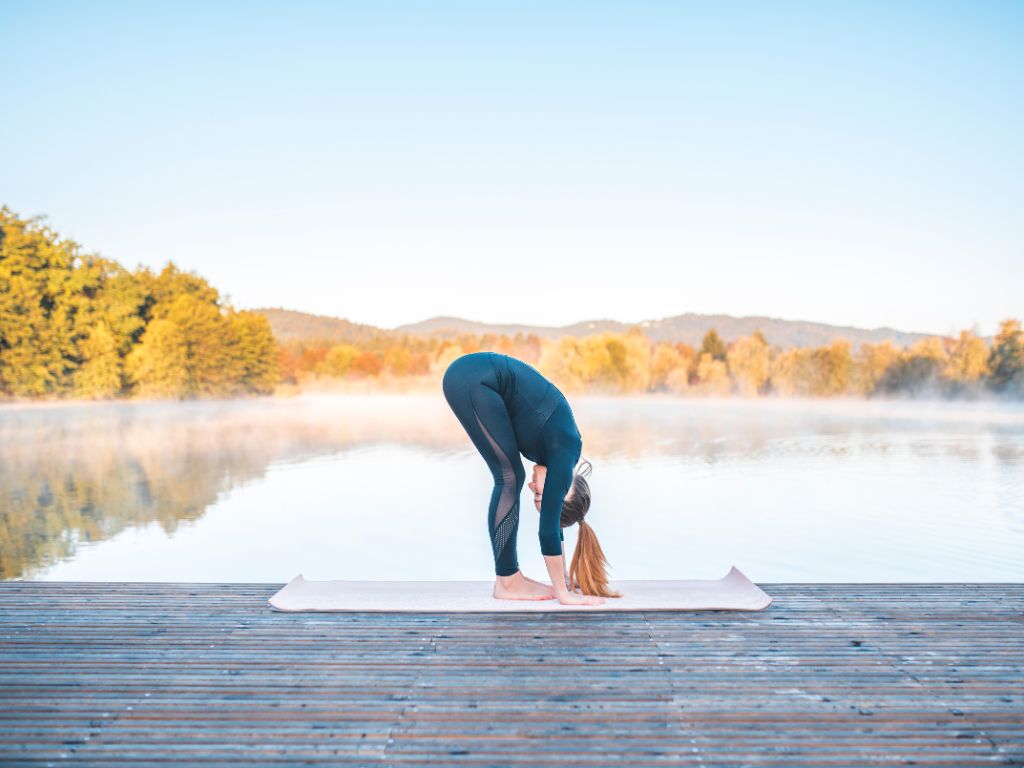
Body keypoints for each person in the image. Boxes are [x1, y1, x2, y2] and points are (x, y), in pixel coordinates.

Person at [442, 351, 621, 606]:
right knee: (510, 477)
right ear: (566, 485)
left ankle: (509, 578)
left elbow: (553, 525)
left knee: (512, 476)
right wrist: (563, 594)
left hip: (470, 376)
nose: (532, 488)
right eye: (540, 494)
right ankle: (508, 581)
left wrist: (563, 578)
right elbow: (547, 529)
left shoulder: (557, 453)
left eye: (536, 495)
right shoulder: (566, 450)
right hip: (474, 377)